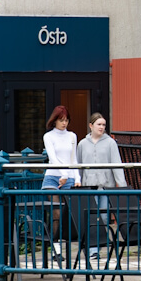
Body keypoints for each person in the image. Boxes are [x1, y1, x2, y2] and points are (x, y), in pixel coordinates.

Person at [77, 112, 127, 260]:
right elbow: (78, 165)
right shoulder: (82, 144)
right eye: (99, 124)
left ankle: (98, 245)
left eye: (104, 125)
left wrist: (121, 186)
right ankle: (93, 249)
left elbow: (116, 165)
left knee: (104, 218)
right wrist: (78, 182)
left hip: (105, 186)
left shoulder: (110, 143)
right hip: (88, 187)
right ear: (91, 125)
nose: (102, 127)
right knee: (91, 219)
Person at [42, 105, 81, 260]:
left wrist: (77, 178)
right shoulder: (49, 136)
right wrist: (63, 174)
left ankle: (73, 247)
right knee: (56, 213)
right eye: (61, 120)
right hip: (52, 177)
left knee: (69, 214)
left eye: (66, 120)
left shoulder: (72, 136)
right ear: (55, 120)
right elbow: (52, 158)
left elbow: (74, 159)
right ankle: (56, 250)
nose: (64, 123)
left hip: (69, 178)